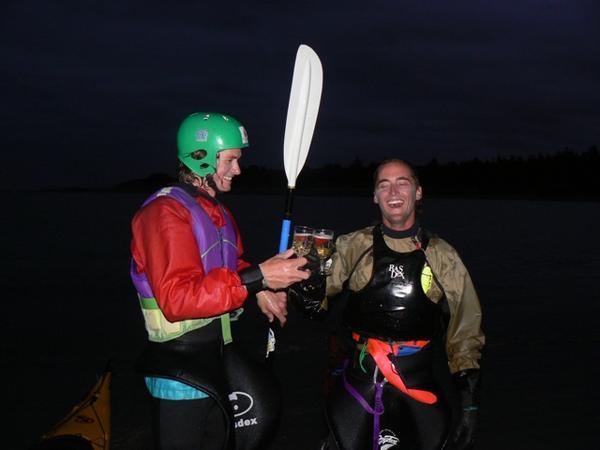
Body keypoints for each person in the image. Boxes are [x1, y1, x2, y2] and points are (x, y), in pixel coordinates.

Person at [130, 112, 310, 449]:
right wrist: (257, 278)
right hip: (178, 370)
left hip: (218, 361)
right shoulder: (164, 214)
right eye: (230, 160)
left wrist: (259, 289)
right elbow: (178, 299)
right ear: (200, 158)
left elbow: (229, 265)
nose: (238, 170)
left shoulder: (218, 212)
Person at [290, 158, 484, 450]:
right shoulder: (353, 245)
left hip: (418, 384)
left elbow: (466, 332)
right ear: (375, 196)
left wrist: (468, 406)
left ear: (418, 192)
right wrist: (300, 284)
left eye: (402, 183)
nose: (393, 191)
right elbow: (315, 307)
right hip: (359, 382)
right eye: (384, 185)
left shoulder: (444, 256)